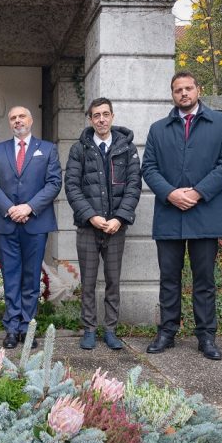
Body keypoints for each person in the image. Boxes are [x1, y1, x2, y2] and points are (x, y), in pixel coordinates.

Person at [142, 71, 222, 360]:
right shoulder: (158, 129)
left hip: (205, 214)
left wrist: (197, 193)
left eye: (188, 88)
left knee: (204, 280)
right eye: (178, 90)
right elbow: (149, 168)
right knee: (168, 278)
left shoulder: (221, 122)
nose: (183, 93)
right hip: (169, 214)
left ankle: (206, 336)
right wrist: (171, 194)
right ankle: (167, 332)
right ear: (172, 94)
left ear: (199, 89)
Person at [65, 98, 142, 351]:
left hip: (115, 228)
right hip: (88, 227)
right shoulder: (79, 149)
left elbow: (134, 186)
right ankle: (89, 329)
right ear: (90, 119)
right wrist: (91, 216)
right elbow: (72, 186)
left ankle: (110, 330)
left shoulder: (127, 148)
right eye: (96, 115)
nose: (101, 119)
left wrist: (119, 218)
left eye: (105, 114)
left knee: (113, 281)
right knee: (88, 282)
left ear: (112, 116)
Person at [0, 106, 62, 349]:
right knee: (10, 277)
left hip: (35, 223)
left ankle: (27, 327)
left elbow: (54, 183)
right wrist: (10, 208)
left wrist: (29, 207)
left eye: (21, 116)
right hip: (6, 223)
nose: (17, 121)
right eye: (13, 118)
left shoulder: (47, 149)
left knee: (31, 277)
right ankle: (11, 328)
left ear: (31, 120)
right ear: (9, 123)